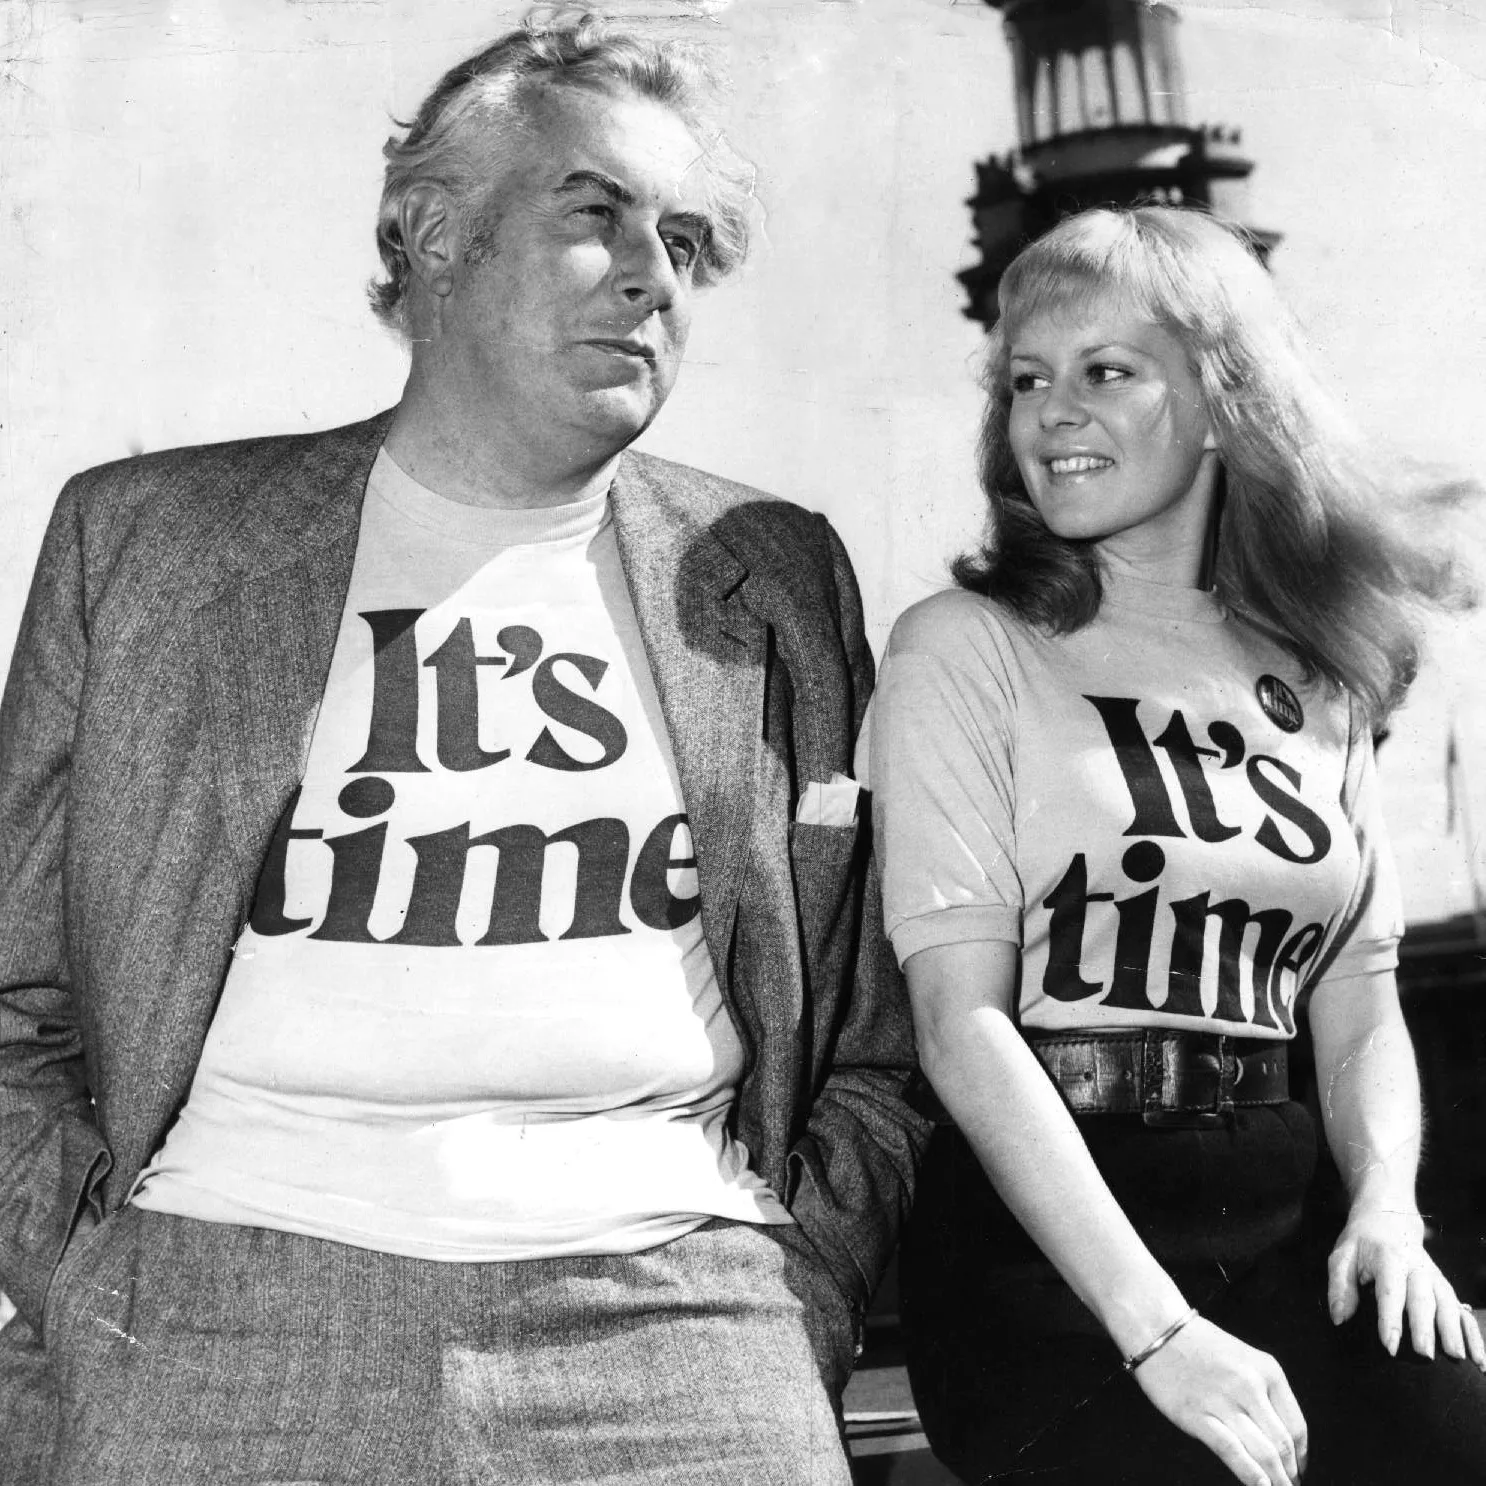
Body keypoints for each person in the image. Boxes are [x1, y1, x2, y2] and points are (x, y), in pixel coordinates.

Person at [0, 14, 925, 1484]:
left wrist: (793, 1278)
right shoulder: (149, 545)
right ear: (432, 231)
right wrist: (84, 1277)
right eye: (594, 214)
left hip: (681, 1323)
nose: (652, 276)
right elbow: (14, 983)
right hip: (219, 1323)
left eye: (684, 243)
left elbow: (867, 1031)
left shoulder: (774, 573)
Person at [864, 204, 1486, 1486]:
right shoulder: (962, 647)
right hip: (1054, 1244)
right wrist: (1158, 1335)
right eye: (1028, 378)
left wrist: (1385, 1204)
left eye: (1107, 371)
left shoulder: (1323, 674)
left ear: (1220, 402)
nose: (1052, 412)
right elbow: (957, 1028)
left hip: (1293, 1205)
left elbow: (1359, 998)